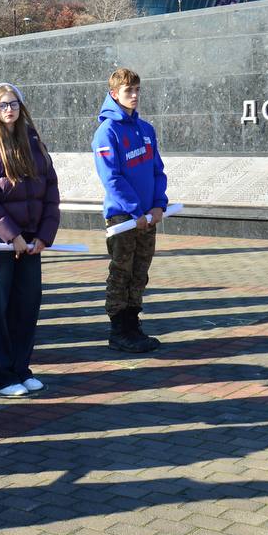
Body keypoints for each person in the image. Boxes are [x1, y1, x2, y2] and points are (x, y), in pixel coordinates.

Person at [0, 84, 61, 396]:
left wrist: (44, 236)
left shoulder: (34, 143)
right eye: (2, 104)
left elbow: (50, 192)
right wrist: (12, 236)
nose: (9, 109)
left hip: (31, 241)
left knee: (26, 306)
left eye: (14, 103)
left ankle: (21, 368)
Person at [92, 67, 168, 353]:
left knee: (140, 271)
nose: (134, 95)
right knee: (121, 272)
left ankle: (133, 324)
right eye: (128, 91)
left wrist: (159, 205)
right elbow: (112, 178)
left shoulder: (146, 129)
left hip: (148, 215)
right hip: (124, 218)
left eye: (137, 90)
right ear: (114, 94)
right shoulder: (106, 132)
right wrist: (135, 211)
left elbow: (157, 170)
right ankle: (119, 329)